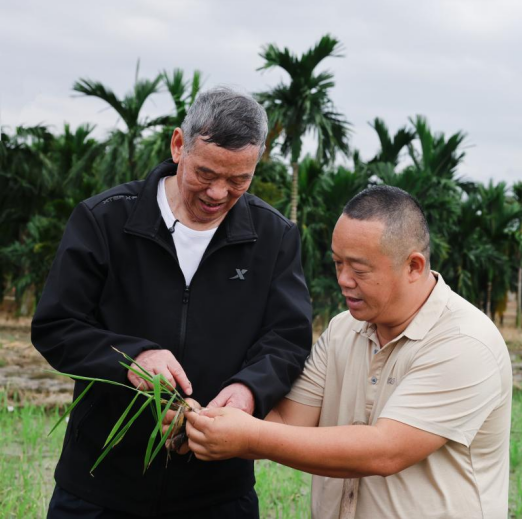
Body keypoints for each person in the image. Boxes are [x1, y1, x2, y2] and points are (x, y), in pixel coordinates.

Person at [32, 87, 313, 519]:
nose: (218, 193)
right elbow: (57, 326)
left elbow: (288, 338)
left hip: (218, 492)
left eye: (239, 180)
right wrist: (133, 357)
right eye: (206, 173)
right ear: (179, 145)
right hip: (99, 487)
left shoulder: (273, 238)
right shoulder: (105, 220)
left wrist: (249, 390)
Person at [181, 186, 513, 519]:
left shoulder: (464, 342)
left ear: (413, 266)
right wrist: (201, 419)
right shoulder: (343, 330)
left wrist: (248, 436)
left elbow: (385, 451)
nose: (343, 280)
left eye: (359, 269)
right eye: (338, 263)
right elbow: (287, 421)